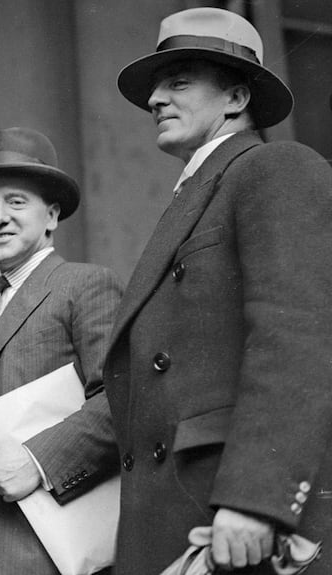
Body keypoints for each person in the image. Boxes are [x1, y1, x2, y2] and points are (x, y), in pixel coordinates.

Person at [106, 7, 332, 574]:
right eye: (157, 86)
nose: (155, 98)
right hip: (179, 515)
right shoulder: (196, 195)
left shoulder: (274, 167)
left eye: (178, 82)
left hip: (232, 522)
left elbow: (297, 336)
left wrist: (257, 498)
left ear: (235, 98)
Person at [0, 127, 122, 575]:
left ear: (52, 216)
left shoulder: (84, 284)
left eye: (16, 202)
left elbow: (124, 400)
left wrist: (38, 460)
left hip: (54, 547)